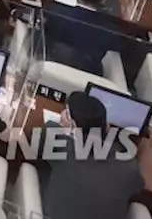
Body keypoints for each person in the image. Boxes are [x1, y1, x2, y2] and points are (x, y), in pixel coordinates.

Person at [36, 90, 143, 219]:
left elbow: (45, 134)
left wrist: (65, 130)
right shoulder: (129, 166)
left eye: (66, 112)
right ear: (107, 127)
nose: (62, 113)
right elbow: (137, 186)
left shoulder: (60, 145)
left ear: (74, 126)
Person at [44, 0, 123, 75]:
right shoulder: (111, 30)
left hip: (50, 65)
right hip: (88, 74)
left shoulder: (55, 12)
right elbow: (116, 48)